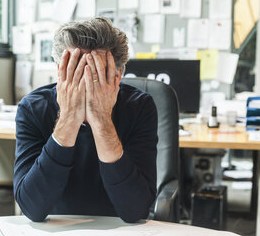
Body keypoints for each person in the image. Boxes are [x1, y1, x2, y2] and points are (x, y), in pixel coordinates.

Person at [13, 18, 158, 223]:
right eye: (76, 73)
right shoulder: (32, 108)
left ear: (118, 75)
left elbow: (135, 211)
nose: (85, 84)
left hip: (119, 228)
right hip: (56, 227)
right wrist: (69, 118)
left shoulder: (140, 107)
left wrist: (101, 120)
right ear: (60, 71)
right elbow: (31, 208)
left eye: (96, 75)